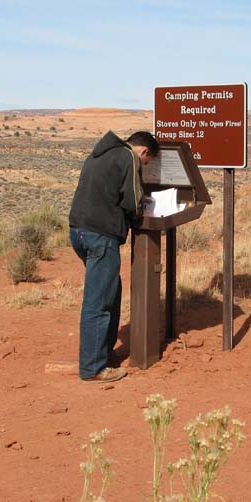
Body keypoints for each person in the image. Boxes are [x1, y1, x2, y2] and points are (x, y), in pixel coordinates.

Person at [68, 130, 159, 382]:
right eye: (147, 163)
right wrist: (142, 211)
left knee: (109, 292)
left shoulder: (100, 153)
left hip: (79, 232)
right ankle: (93, 368)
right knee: (99, 302)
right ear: (144, 151)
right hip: (101, 235)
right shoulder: (128, 157)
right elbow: (133, 200)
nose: (144, 166)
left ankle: (103, 354)